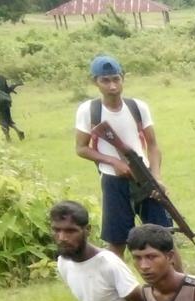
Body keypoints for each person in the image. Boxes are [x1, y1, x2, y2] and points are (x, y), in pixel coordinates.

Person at [74, 55, 174, 260]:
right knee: (117, 241)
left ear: (123, 78)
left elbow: (153, 145)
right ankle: (116, 289)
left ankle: (181, 285)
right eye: (105, 81)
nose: (112, 86)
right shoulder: (89, 111)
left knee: (163, 237)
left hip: (144, 176)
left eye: (116, 79)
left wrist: (157, 178)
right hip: (113, 181)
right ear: (95, 82)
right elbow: (81, 148)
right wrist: (113, 161)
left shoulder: (137, 107)